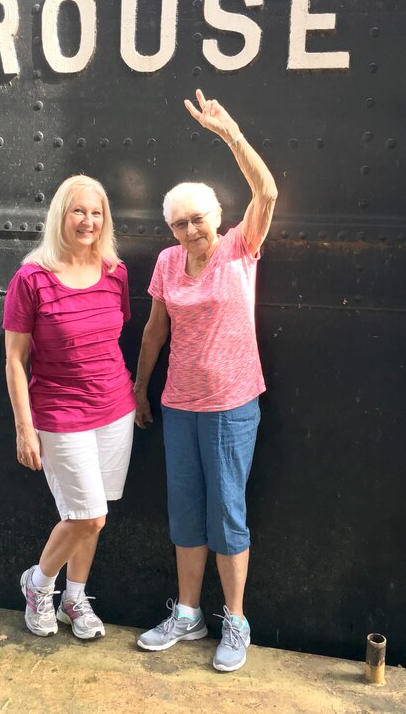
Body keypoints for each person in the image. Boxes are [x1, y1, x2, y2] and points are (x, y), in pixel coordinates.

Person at [134, 89, 278, 672]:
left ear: (216, 218)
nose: (189, 230)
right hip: (179, 404)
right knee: (186, 511)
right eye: (179, 223)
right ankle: (189, 615)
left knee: (227, 513)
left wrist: (231, 136)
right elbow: (152, 332)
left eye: (197, 219)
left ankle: (235, 622)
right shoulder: (168, 263)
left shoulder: (241, 248)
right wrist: (139, 388)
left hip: (230, 405)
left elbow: (266, 192)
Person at [3, 174, 136, 640]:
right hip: (60, 414)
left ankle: (75, 599)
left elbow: (110, 340)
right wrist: (25, 428)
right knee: (89, 515)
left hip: (115, 408)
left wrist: (133, 396)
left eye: (96, 212)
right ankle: (38, 585)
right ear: (61, 214)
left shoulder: (115, 272)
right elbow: (15, 360)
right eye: (79, 211)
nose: (89, 221)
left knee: (95, 513)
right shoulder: (32, 278)